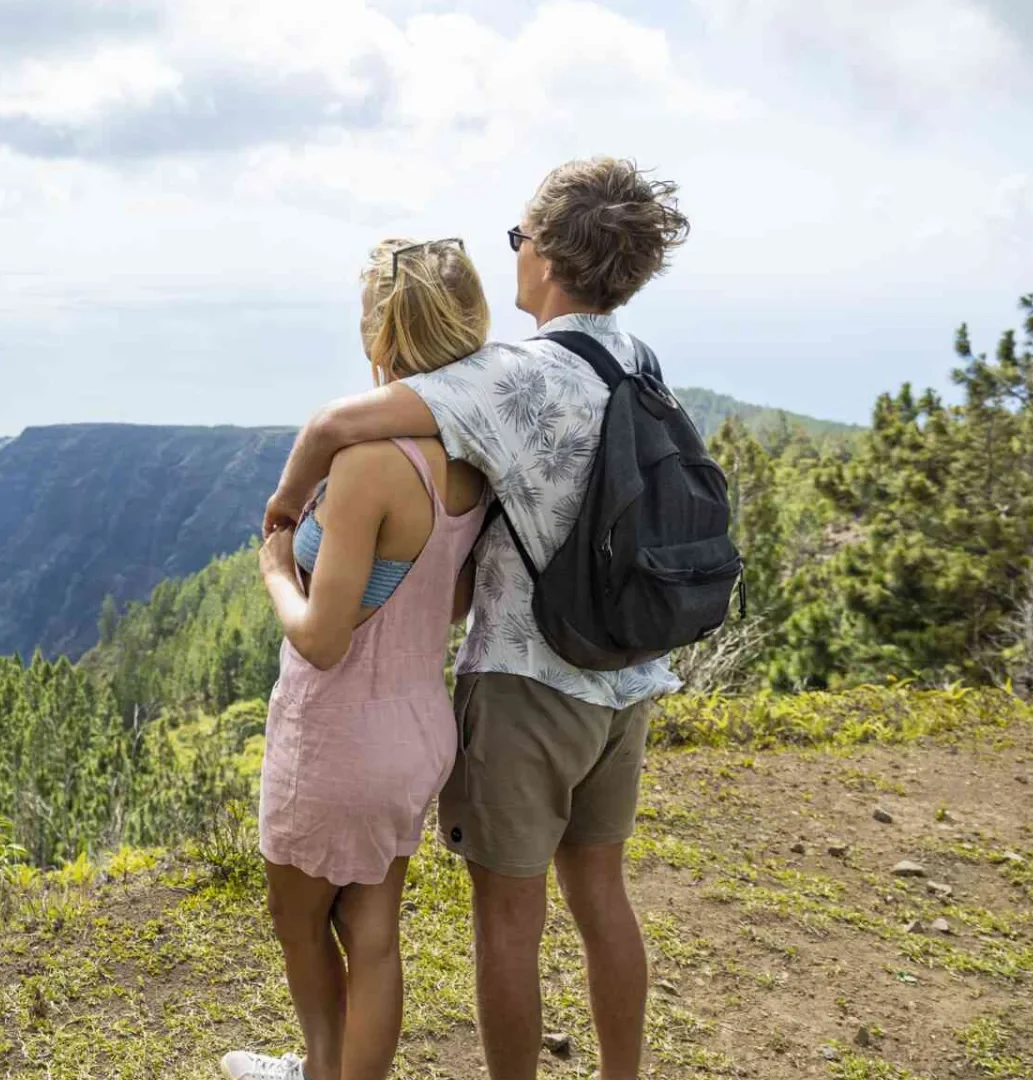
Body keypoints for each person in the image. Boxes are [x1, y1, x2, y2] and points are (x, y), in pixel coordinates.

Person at [259, 157, 691, 1080]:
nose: (515, 257)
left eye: (518, 240)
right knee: (604, 896)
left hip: (531, 684)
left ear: (546, 256)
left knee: (508, 923)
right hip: (624, 676)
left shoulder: (516, 376)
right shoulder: (637, 360)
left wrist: (280, 518)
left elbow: (341, 423)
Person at [221, 236, 490, 1080]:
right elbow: (450, 600)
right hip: (418, 724)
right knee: (374, 936)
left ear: (380, 336)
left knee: (299, 925)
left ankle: (318, 1068)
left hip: (336, 732)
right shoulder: (473, 466)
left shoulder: (369, 465)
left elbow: (322, 636)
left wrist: (272, 568)